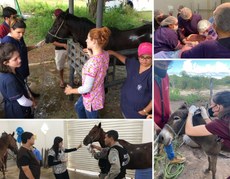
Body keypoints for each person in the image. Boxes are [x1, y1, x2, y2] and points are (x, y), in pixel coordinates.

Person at [64, 27, 111, 118]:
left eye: (88, 38)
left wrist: (71, 91)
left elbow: (86, 88)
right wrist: (91, 54)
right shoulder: (105, 54)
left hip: (91, 99)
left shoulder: (92, 64)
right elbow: (98, 64)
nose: (86, 40)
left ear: (94, 41)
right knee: (78, 107)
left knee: (92, 119)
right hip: (97, 91)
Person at [1, 18, 44, 98]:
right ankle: (26, 98)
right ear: (11, 30)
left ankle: (28, 92)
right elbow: (6, 61)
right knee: (19, 87)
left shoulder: (19, 38)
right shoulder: (7, 42)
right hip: (16, 69)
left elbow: (23, 48)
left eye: (23, 33)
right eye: (18, 32)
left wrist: (36, 46)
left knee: (24, 82)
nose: (21, 35)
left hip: (22, 65)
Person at [108, 42, 152, 118]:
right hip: (125, 107)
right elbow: (125, 60)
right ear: (138, 56)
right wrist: (113, 53)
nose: (144, 60)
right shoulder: (134, 64)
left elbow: (155, 98)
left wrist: (145, 111)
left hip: (137, 114)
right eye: (142, 57)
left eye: (148, 57)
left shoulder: (152, 74)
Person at [154, 60, 185, 164]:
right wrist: (154, 126)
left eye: (167, 65)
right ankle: (156, 154)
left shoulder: (165, 76)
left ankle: (171, 158)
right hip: (153, 120)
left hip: (166, 117)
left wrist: (170, 112)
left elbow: (166, 97)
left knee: (167, 138)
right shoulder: (147, 78)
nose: (164, 67)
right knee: (154, 139)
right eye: (161, 64)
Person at [0, 43, 35, 118]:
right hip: (18, 111)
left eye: (19, 56)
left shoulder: (13, 69)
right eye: (15, 59)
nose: (20, 60)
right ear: (6, 63)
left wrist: (30, 95)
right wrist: (32, 103)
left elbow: (24, 85)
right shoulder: (10, 80)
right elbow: (23, 102)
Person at [52, 9, 68, 88]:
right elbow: (53, 42)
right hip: (60, 49)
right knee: (60, 66)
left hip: (70, 49)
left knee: (74, 64)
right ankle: (62, 80)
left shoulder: (68, 25)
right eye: (58, 17)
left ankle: (75, 78)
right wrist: (63, 45)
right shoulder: (55, 26)